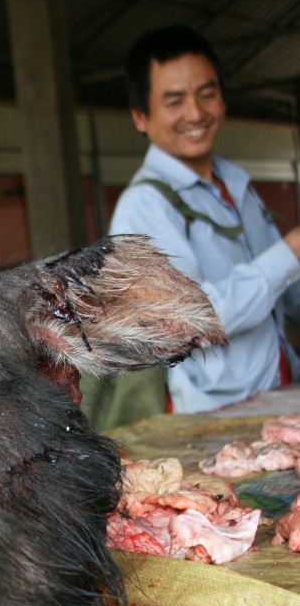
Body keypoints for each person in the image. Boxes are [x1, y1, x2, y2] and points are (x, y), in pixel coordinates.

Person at [107, 25, 300, 414]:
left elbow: (288, 297)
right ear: (141, 116)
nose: (196, 113)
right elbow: (191, 321)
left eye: (207, 94)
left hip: (279, 394)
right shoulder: (143, 206)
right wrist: (291, 250)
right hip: (215, 418)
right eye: (174, 101)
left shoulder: (237, 184)